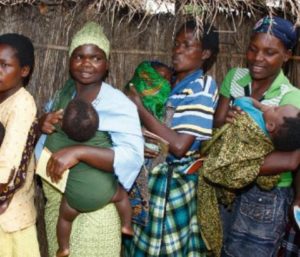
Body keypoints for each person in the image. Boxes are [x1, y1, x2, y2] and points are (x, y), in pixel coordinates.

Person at [36, 22, 144, 257]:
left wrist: (79, 152)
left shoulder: (118, 104)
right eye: (79, 57)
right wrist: (41, 125)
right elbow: (41, 142)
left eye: (95, 58)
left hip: (96, 208)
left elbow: (132, 157)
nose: (86, 64)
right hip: (59, 206)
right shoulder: (61, 96)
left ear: (107, 64)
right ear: (69, 60)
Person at [124, 20, 219, 256]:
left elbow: (178, 145)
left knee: (165, 248)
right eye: (177, 44)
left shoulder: (202, 86)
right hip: (150, 183)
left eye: (187, 45)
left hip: (171, 186)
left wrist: (139, 107)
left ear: (205, 53)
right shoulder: (169, 83)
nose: (178, 50)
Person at [213, 16, 300, 257]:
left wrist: (232, 166)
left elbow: (291, 161)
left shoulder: (291, 98)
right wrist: (228, 118)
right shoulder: (236, 77)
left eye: (270, 52)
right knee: (218, 247)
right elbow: (217, 123)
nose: (257, 58)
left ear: (287, 55)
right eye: (253, 49)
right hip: (227, 188)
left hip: (265, 197)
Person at [198, 97, 300, 257]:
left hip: (264, 199)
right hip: (243, 195)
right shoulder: (277, 134)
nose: (272, 106)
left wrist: (261, 106)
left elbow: (292, 162)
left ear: (271, 125)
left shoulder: (257, 116)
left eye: (276, 109)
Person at [43, 98, 133, 257]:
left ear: (63, 125)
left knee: (64, 219)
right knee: (122, 195)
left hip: (75, 201)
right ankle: (126, 225)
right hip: (106, 194)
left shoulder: (58, 143)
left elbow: (48, 151)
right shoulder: (103, 138)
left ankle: (63, 247)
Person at [0, 33, 40, 257]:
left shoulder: (22, 104)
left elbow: (9, 163)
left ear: (24, 71)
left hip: (10, 215)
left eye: (5, 65)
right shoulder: (4, 98)